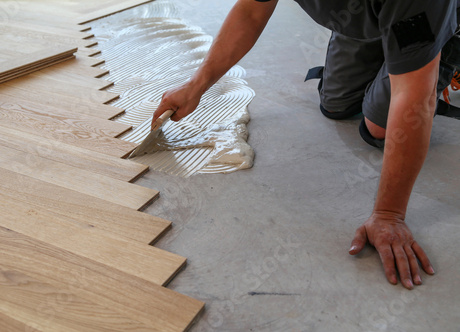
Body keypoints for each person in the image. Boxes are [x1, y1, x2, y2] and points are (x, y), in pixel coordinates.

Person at [152, 0, 459, 289]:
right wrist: (197, 85)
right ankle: (389, 40)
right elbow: (252, 11)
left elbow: (414, 98)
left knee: (378, 127)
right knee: (336, 105)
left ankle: (440, 46)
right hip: (367, 13)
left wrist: (389, 214)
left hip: (419, 16)